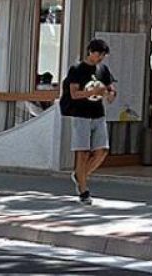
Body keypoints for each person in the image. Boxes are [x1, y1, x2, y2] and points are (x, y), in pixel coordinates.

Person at [61, 38, 116, 204]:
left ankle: (80, 175)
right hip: (81, 114)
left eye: (103, 55)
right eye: (99, 54)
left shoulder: (103, 69)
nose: (100, 58)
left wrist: (110, 94)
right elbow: (74, 94)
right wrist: (93, 92)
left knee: (102, 151)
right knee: (83, 152)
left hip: (98, 113)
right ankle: (83, 190)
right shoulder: (77, 69)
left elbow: (111, 88)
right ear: (91, 52)